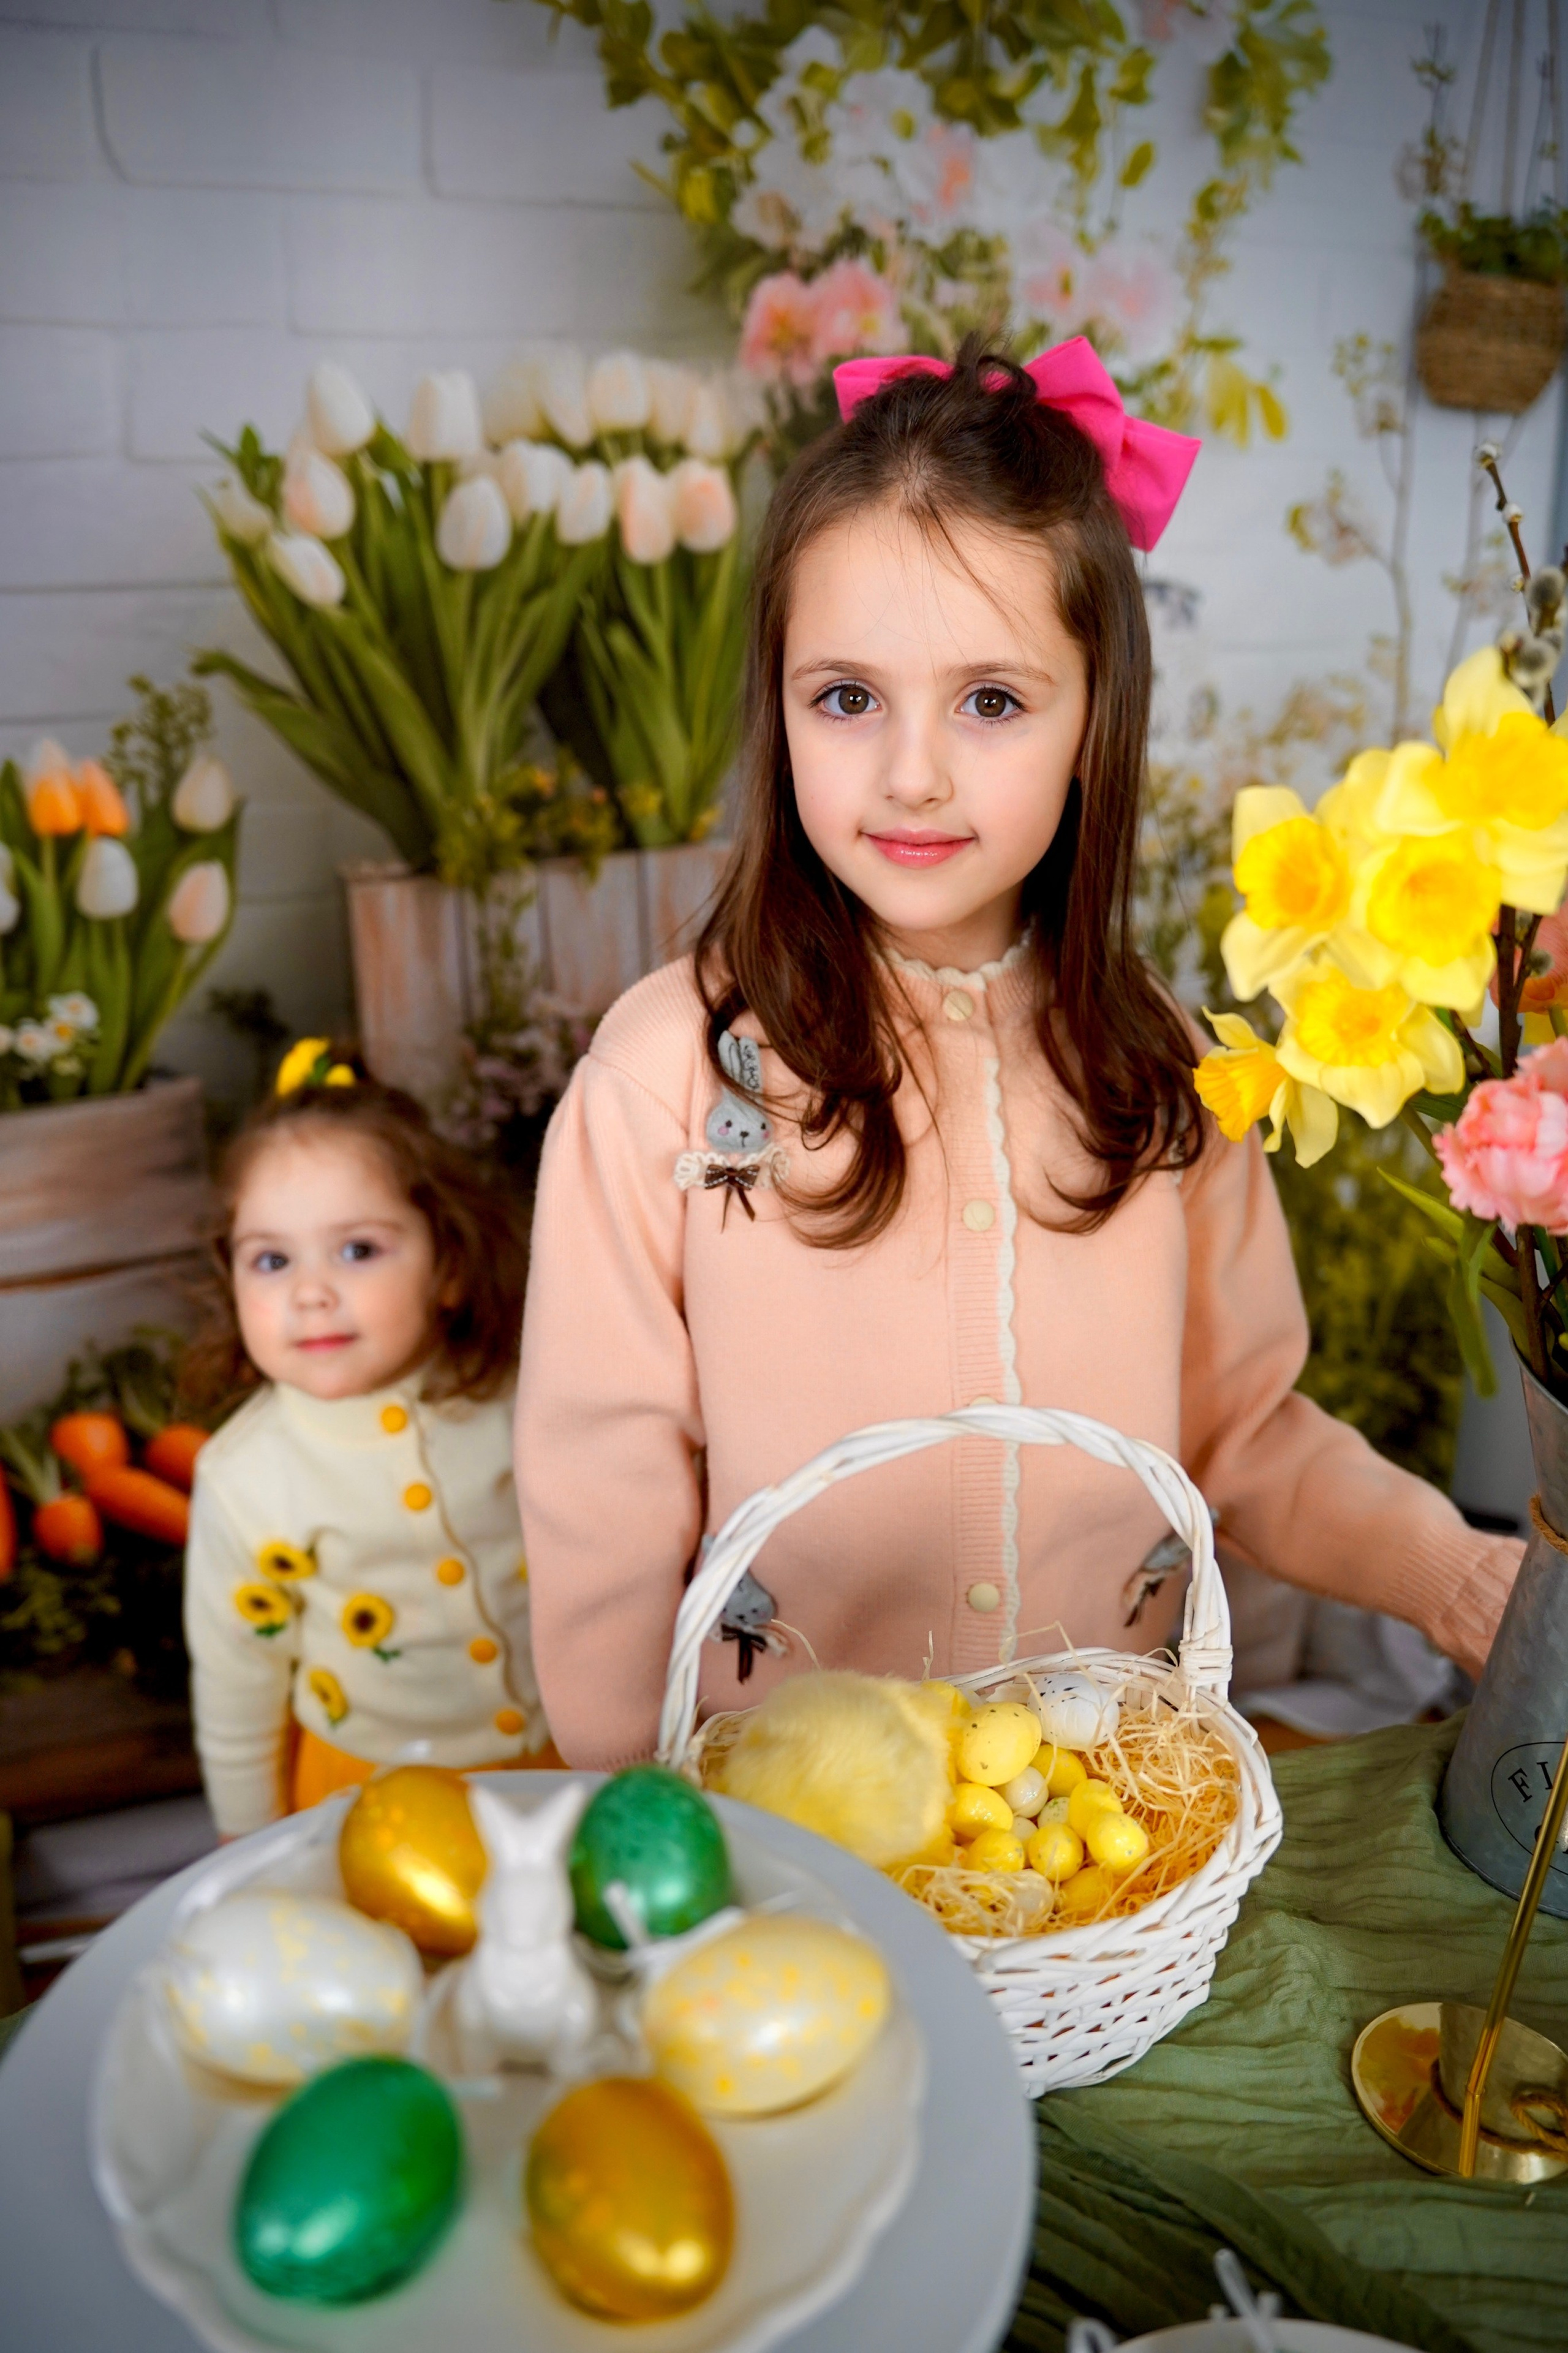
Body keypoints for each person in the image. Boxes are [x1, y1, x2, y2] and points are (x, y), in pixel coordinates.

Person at [515, 337, 1521, 1772]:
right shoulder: (671, 1067)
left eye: (989, 702)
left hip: (1112, 1820)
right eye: (845, 697)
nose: (910, 770)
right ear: (777, 706)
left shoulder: (1166, 1069)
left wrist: (1461, 1574)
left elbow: (1238, 1432)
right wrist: (643, 1808)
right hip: (791, 1826)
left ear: (1090, 724)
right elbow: (598, 1490)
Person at [184, 1042, 553, 1838]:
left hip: (563, 1763)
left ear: (449, 1263)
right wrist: (245, 1845)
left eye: (358, 1249)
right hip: (364, 1796)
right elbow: (235, 1684)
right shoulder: (243, 1477)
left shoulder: (530, 1396)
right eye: (271, 1259)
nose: (311, 1293)